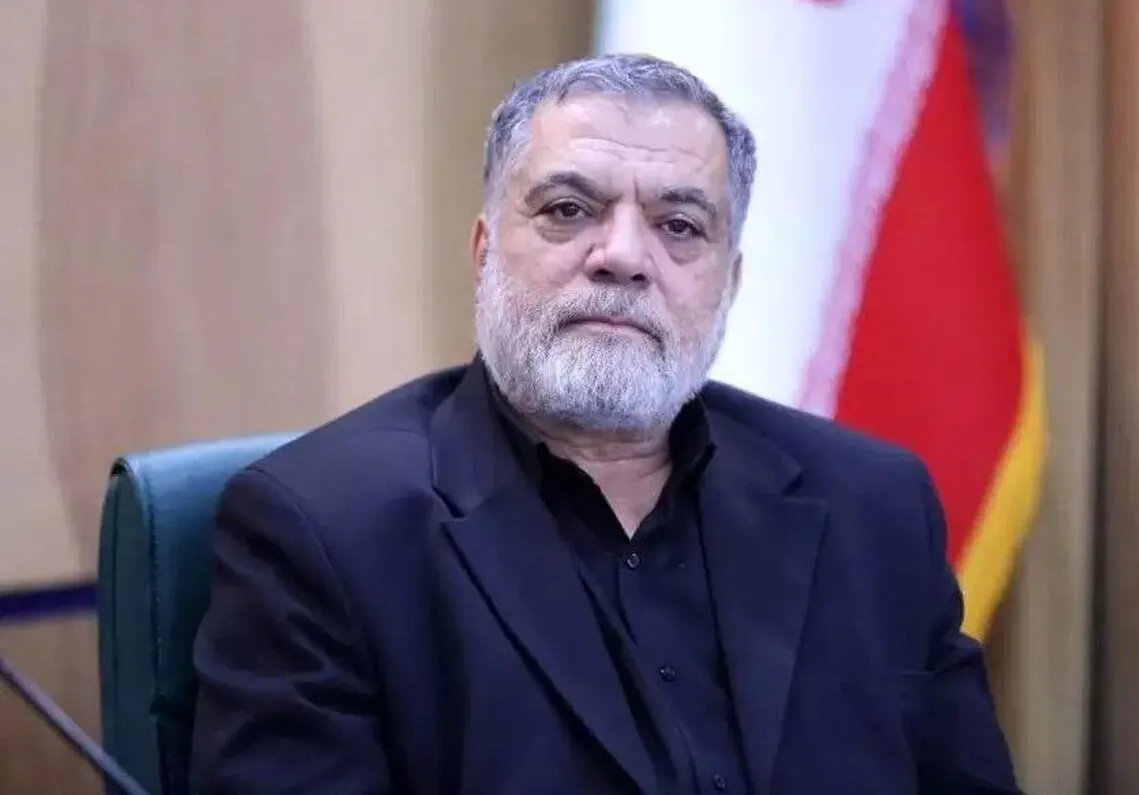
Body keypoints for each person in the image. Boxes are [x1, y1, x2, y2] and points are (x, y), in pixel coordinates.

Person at [190, 53, 1020, 795]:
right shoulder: (322, 530)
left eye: (679, 226)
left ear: (728, 285)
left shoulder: (873, 506)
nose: (622, 255)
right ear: (483, 252)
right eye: (567, 209)